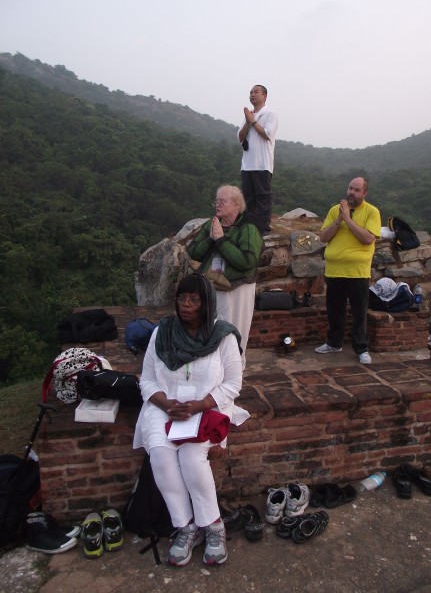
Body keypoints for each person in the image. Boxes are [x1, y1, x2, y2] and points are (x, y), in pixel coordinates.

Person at [133, 273, 249, 567]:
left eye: (194, 300)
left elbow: (233, 384)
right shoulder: (162, 333)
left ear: (206, 303)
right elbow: (147, 380)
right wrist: (166, 404)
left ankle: (213, 525)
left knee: (190, 457)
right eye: (182, 298)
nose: (185, 305)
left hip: (206, 406)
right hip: (165, 405)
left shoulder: (222, 336)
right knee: (160, 457)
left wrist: (199, 405)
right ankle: (186, 527)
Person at [187, 184, 263, 368]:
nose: (217, 205)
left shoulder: (248, 229)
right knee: (209, 327)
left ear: (236, 205)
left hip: (237, 289)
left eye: (222, 201)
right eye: (216, 201)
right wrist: (211, 238)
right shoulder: (212, 224)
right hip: (211, 286)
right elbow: (193, 252)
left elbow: (248, 261)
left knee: (233, 329)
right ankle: (210, 366)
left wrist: (221, 240)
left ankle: (233, 369)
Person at [315, 177, 381, 364]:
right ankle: (333, 343)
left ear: (364, 193)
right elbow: (323, 237)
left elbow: (368, 238)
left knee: (359, 313)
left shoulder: (372, 212)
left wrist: (347, 219)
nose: (352, 192)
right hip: (334, 270)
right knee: (334, 311)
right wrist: (338, 219)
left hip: (357, 272)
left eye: (357, 190)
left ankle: (361, 348)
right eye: (350, 188)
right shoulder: (335, 210)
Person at [237, 84, 278, 235]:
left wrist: (253, 121)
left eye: (256, 92)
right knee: (247, 197)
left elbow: (267, 134)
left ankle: (262, 229)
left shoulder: (270, 114)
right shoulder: (248, 116)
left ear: (264, 96)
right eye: (251, 92)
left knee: (262, 197)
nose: (252, 94)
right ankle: (248, 227)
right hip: (247, 164)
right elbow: (240, 137)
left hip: (262, 164)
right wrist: (248, 122)